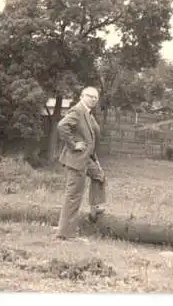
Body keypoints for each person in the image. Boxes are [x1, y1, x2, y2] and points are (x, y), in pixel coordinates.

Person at [55, 86, 106, 241]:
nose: (93, 99)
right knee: (73, 196)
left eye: (96, 98)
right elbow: (62, 126)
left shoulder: (88, 114)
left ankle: (96, 208)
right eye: (90, 96)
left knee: (99, 175)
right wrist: (73, 144)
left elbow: (91, 139)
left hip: (87, 158)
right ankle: (65, 233)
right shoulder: (77, 111)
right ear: (82, 96)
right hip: (76, 159)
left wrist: (95, 160)